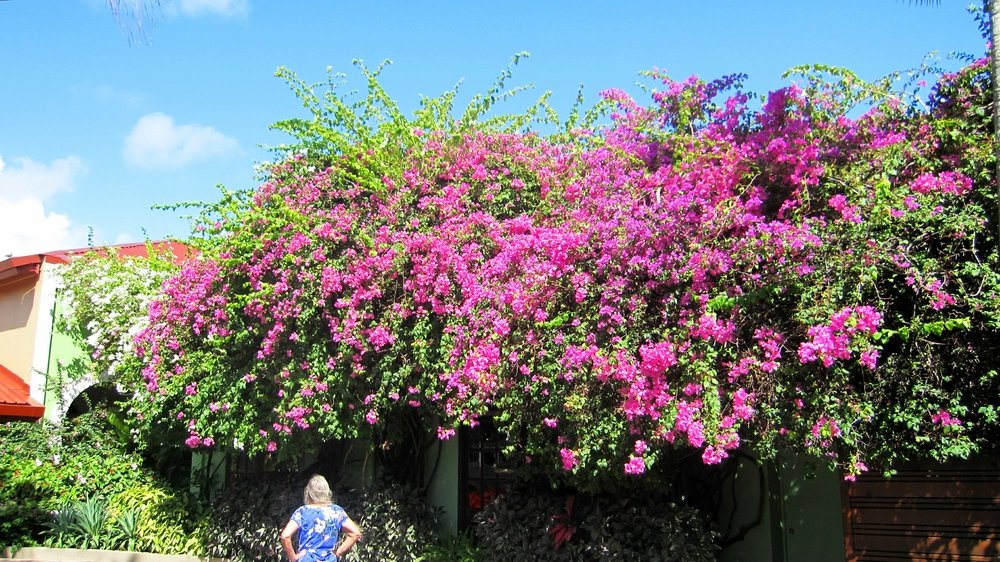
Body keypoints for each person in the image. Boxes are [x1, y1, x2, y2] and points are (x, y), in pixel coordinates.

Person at [280, 475, 362, 562]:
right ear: (327, 491)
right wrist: (338, 553)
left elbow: (285, 536)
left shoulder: (302, 512)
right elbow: (355, 533)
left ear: (308, 492)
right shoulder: (336, 511)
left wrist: (293, 558)